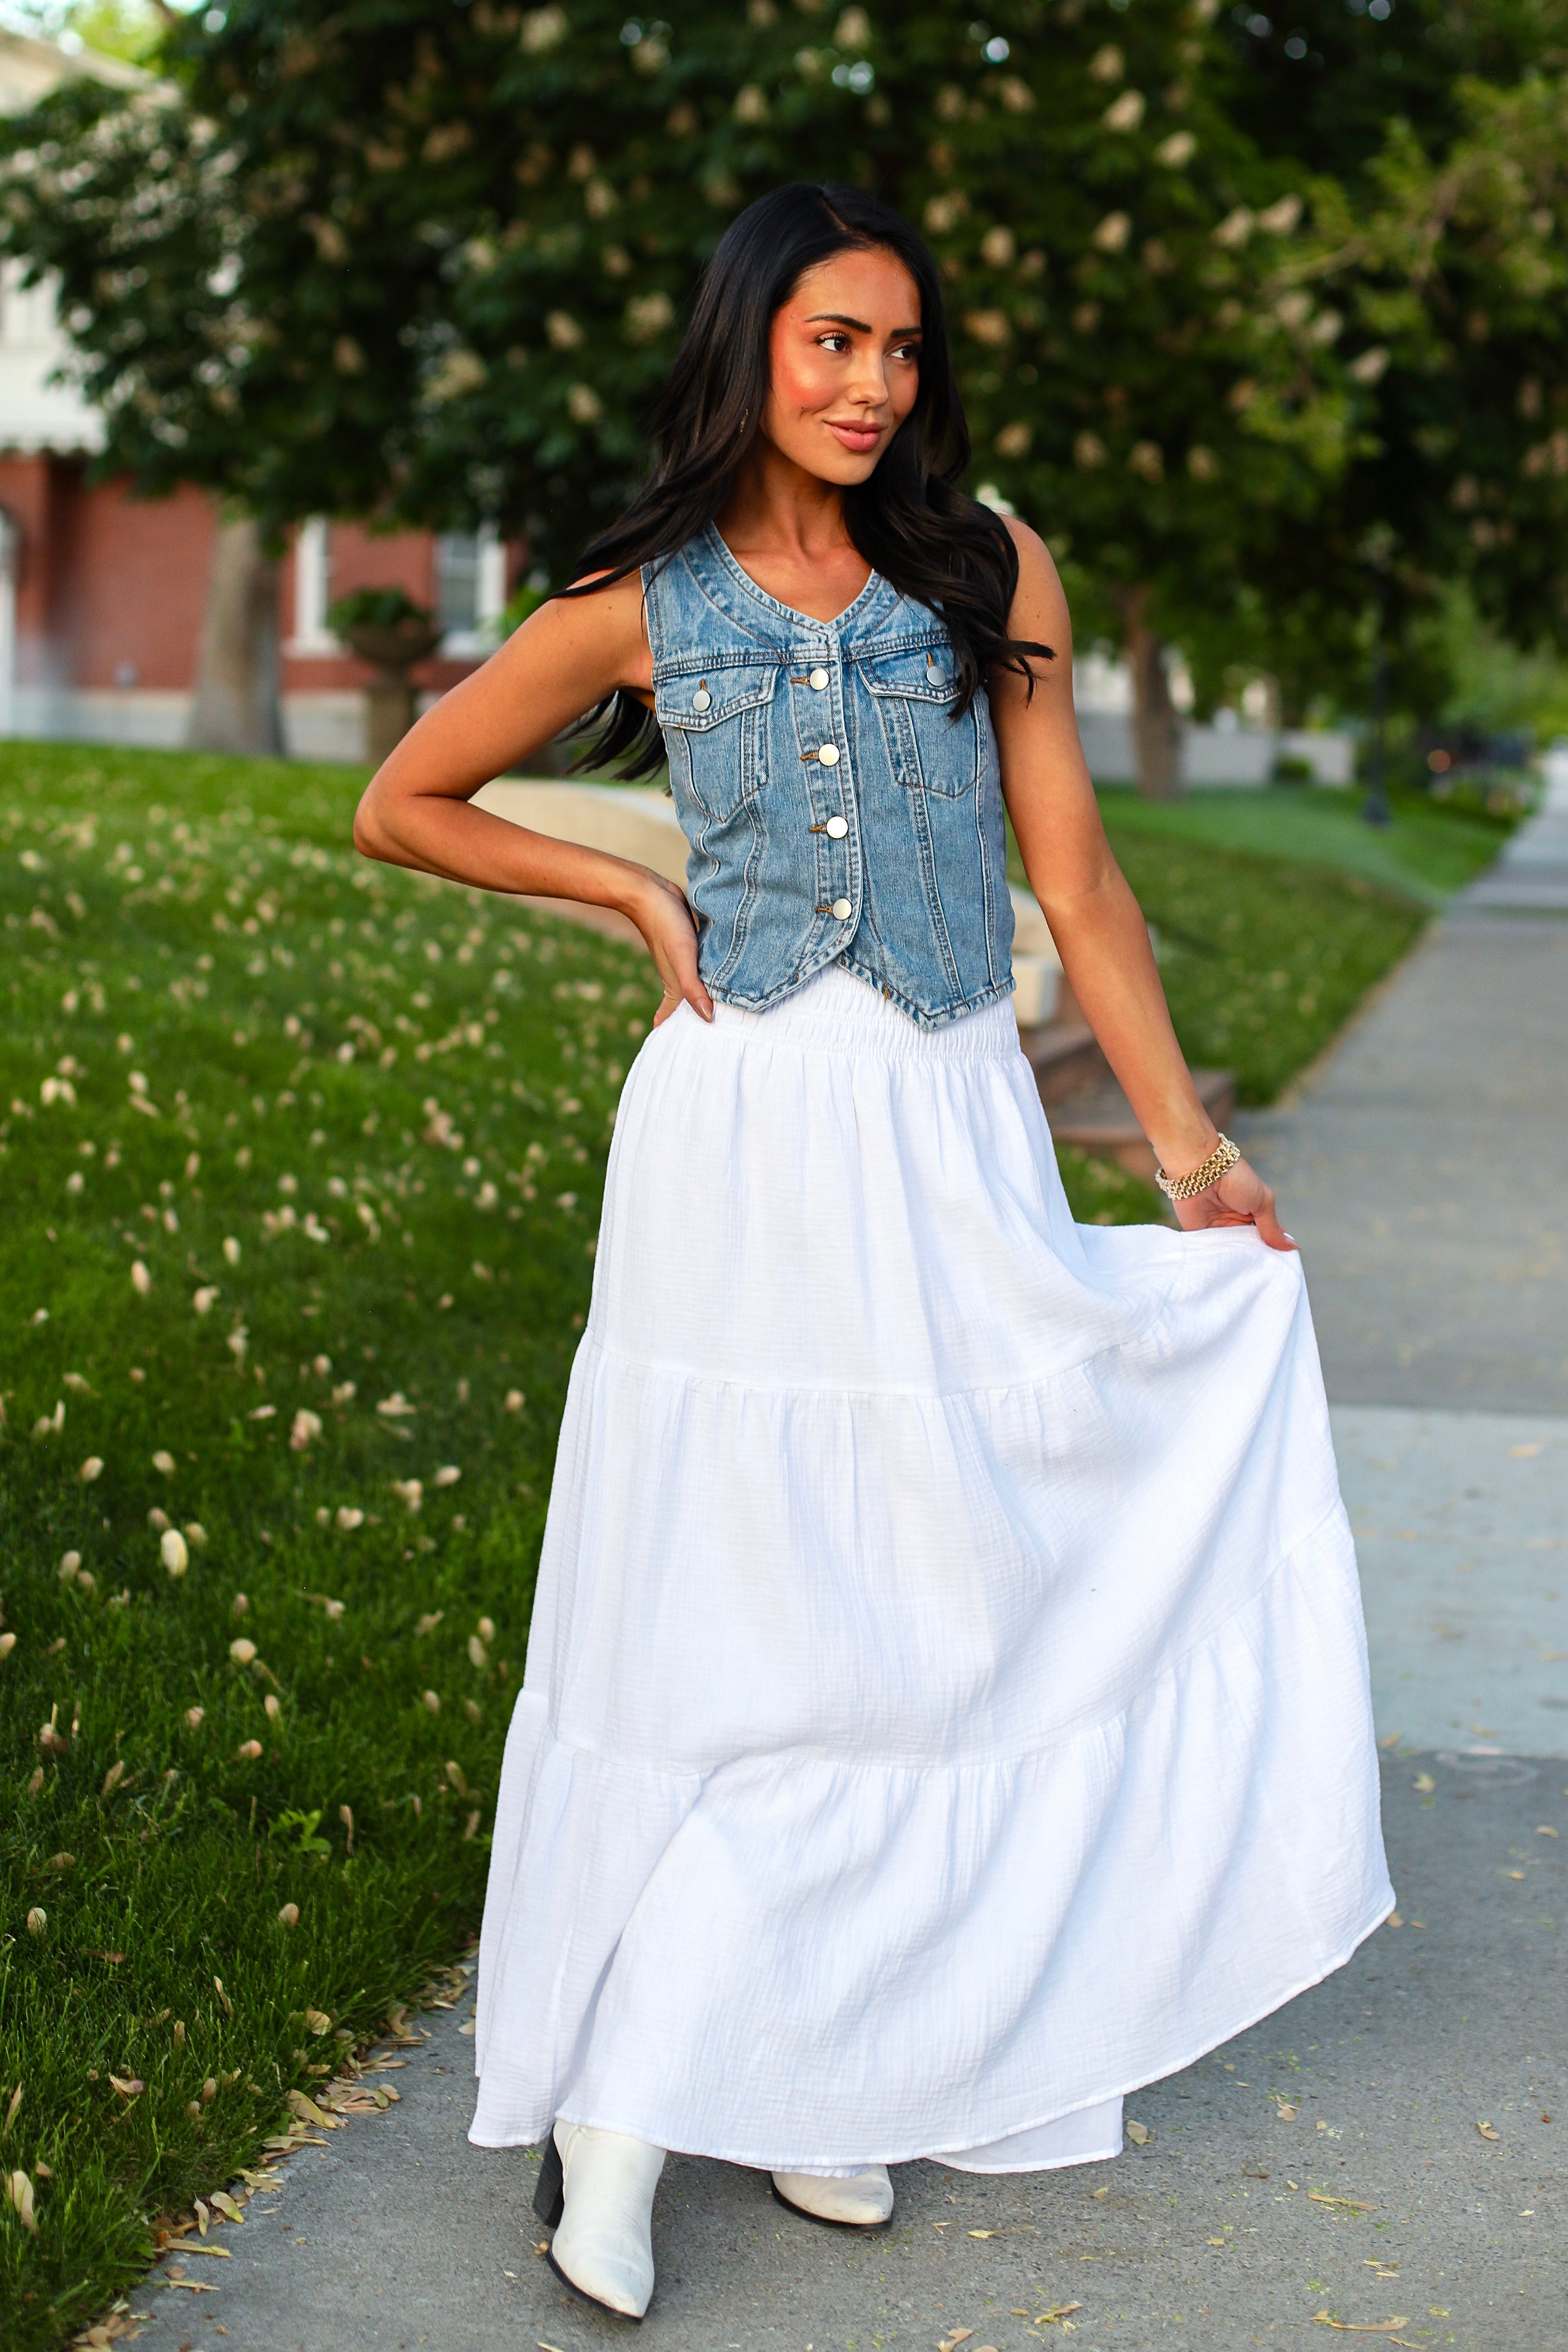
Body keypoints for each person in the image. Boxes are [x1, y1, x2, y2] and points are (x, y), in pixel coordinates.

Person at [353, 181, 1392, 2323]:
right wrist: (637, 902)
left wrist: (1192, 1153)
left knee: (929, 1581)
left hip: (946, 1115)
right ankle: (630, 2100)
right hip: (743, 1140)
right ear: (753, 346)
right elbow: (410, 798)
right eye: (833, 342)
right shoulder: (641, 595)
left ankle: (825, 2048)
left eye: (902, 349)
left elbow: (1081, 886)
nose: (872, 386)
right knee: (739, 1590)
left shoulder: (987, 564)